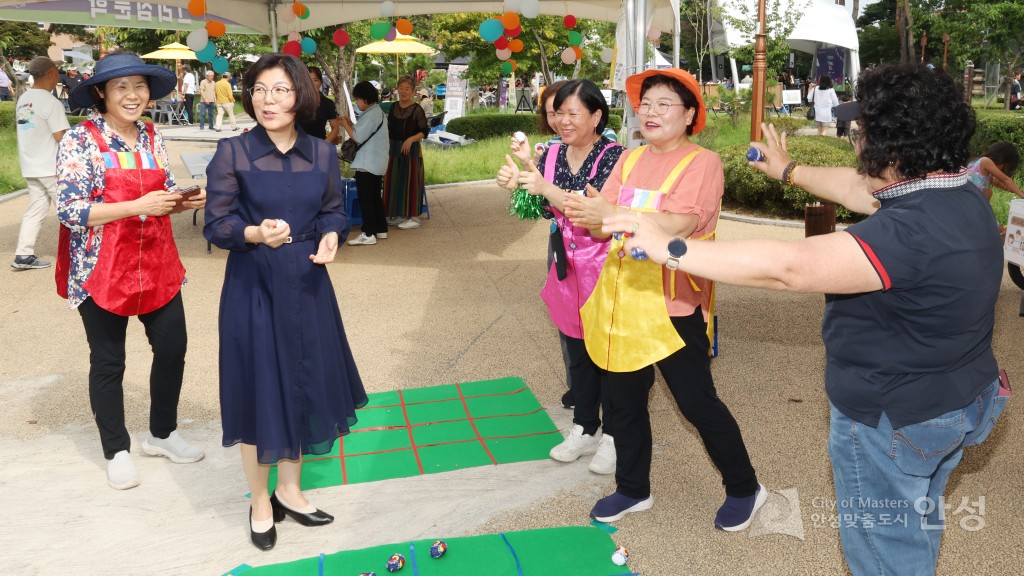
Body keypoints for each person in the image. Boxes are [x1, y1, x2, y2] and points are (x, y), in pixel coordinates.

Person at [604, 63, 1008, 575]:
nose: (854, 143)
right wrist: (787, 171)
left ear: (893, 146)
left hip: (895, 418)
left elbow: (790, 269)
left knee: (885, 550)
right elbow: (857, 190)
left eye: (860, 133)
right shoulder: (958, 192)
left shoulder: (908, 233)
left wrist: (668, 248)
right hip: (959, 399)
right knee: (914, 518)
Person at [558, 69, 763, 529]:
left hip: (674, 304)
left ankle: (746, 487)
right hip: (623, 299)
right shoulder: (629, 160)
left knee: (697, 403)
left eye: (663, 104)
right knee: (623, 403)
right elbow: (598, 223)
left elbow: (679, 224)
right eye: (645, 104)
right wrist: (595, 215)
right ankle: (632, 488)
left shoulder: (702, 163)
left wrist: (613, 214)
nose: (650, 112)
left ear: (689, 114)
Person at [203, 53, 367, 552]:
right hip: (255, 285)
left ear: (301, 96)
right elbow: (216, 224)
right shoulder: (232, 152)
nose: (267, 100)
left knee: (302, 382)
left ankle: (292, 490)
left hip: (309, 284)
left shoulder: (321, 153)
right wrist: (254, 232)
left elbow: (334, 212)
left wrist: (333, 237)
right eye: (259, 90)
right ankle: (259, 500)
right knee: (259, 390)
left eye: (280, 90)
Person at [57, 51, 208, 490]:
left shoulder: (151, 135)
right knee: (109, 362)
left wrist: (182, 199)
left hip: (156, 261)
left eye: (139, 86)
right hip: (101, 267)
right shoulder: (80, 140)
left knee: (173, 347)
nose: (133, 95)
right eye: (121, 87)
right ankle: (116, 449)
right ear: (101, 93)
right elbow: (70, 210)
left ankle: (162, 434)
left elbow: (159, 189)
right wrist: (137, 206)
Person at [496, 79, 624, 476]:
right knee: (577, 349)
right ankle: (585, 426)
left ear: (596, 115)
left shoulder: (616, 156)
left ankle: (616, 435)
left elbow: (596, 213)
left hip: (605, 263)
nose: (562, 122)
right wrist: (517, 184)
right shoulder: (551, 152)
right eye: (557, 113)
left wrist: (543, 186)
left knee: (612, 353)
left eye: (573, 114)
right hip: (566, 261)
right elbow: (541, 208)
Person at [12, 57, 71, 270]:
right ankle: (85, 252)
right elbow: (60, 137)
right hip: (50, 166)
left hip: (31, 165)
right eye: (57, 71)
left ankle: (23, 254)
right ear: (51, 74)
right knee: (70, 209)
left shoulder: (24, 98)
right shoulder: (50, 101)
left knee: (35, 210)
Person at [341, 80, 390, 246]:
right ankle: (381, 229)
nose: (356, 102)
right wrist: (350, 124)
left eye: (357, 99)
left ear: (365, 99)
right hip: (376, 163)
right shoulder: (377, 112)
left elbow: (357, 137)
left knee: (366, 199)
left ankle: (368, 233)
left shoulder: (371, 114)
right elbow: (362, 131)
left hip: (367, 164)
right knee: (375, 197)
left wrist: (345, 123)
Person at [383, 76, 429, 230]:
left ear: (413, 91)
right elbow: (389, 130)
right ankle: (399, 214)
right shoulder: (394, 106)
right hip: (394, 150)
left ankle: (415, 217)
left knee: (411, 182)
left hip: (411, 151)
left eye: (407, 88)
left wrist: (410, 140)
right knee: (395, 180)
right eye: (401, 88)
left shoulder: (417, 109)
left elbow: (424, 131)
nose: (403, 91)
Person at [298, 66, 340, 144]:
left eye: (315, 80)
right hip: (297, 147)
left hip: (319, 145)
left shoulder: (328, 103)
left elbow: (335, 127)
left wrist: (324, 144)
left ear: (321, 82)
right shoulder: (296, 101)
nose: (312, 83)